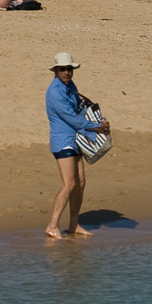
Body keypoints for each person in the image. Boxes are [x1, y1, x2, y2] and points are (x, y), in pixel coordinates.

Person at [44, 52, 108, 239]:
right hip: (63, 141)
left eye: (69, 69)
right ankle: (52, 225)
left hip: (76, 139)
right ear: (55, 71)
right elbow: (71, 118)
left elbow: (80, 109)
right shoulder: (55, 92)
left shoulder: (70, 86)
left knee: (80, 183)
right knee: (69, 184)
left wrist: (99, 121)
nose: (66, 72)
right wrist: (96, 128)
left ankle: (74, 224)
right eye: (62, 69)